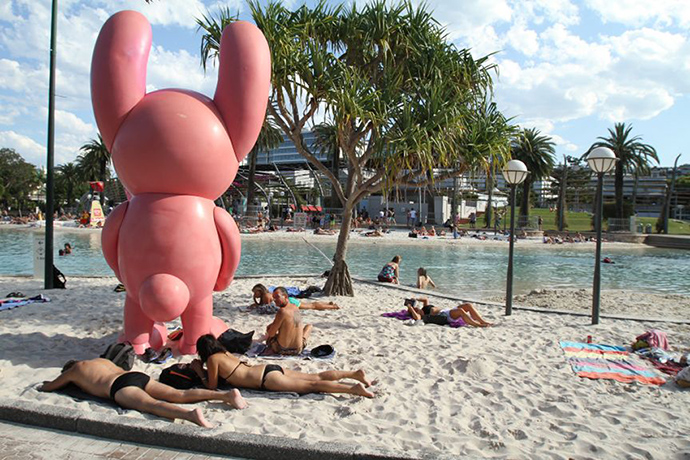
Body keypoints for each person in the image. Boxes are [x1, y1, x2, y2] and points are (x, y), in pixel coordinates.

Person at [38, 358, 247, 428]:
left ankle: (189, 415)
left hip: (118, 387)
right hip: (136, 376)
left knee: (152, 406)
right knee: (178, 393)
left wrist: (42, 385)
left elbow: (51, 386)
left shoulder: (75, 370)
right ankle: (226, 396)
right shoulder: (100, 361)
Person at [191, 335, 374, 397]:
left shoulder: (213, 360)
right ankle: (354, 373)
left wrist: (200, 371)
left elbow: (212, 386)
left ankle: (354, 389)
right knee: (315, 377)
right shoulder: (225, 353)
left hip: (266, 379)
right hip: (267, 368)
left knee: (312, 386)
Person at [265, 286, 312, 355]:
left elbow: (271, 333)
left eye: (277, 297)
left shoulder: (282, 311)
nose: (275, 300)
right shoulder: (295, 308)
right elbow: (296, 325)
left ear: (285, 296)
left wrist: (270, 329)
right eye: (274, 298)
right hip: (298, 349)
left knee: (270, 330)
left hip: (282, 349)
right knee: (309, 326)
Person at [405, 297, 492, 328]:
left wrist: (415, 299)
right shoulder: (421, 314)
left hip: (448, 310)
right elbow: (417, 318)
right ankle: (476, 325)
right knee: (461, 311)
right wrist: (410, 308)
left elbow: (425, 299)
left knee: (468, 305)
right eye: (414, 309)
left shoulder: (424, 307)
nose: (416, 307)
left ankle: (482, 321)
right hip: (445, 316)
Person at [252, 284, 339, 312]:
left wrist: (255, 305)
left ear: (260, 291)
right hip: (288, 301)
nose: (254, 294)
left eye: (255, 292)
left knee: (312, 306)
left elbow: (266, 308)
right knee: (311, 304)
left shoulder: (267, 296)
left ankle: (332, 307)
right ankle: (328, 304)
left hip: (290, 302)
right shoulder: (265, 295)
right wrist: (255, 301)